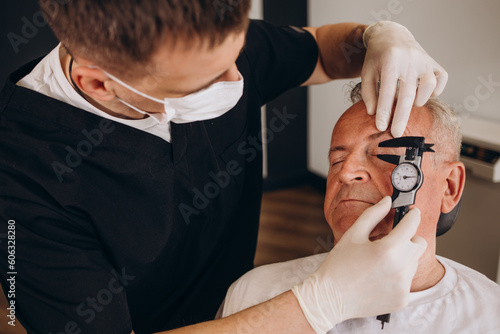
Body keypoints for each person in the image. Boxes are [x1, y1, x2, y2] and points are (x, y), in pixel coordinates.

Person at [0, 0, 446, 333]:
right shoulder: (22, 181)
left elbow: (325, 52)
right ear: (98, 83)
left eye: (234, 57)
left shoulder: (205, 38)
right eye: (207, 82)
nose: (238, 78)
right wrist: (318, 304)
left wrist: (381, 36)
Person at [221, 83, 500, 333]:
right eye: (337, 161)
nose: (346, 173)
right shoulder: (254, 293)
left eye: (386, 154)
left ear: (449, 187)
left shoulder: (490, 314)